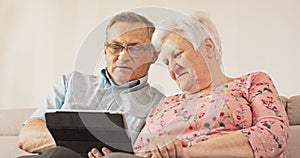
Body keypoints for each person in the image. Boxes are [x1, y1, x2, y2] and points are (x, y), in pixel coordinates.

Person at [90, 11, 289, 158]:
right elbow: (140, 151)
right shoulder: (164, 105)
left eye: (177, 55)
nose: (172, 69)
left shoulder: (251, 83)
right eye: (166, 62)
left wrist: (183, 152)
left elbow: (273, 135)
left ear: (208, 48)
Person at [17, 11, 165, 156]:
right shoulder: (70, 83)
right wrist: (80, 146)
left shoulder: (161, 105)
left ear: (153, 54)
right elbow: (27, 137)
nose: (123, 56)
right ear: (105, 50)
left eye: (135, 48)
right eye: (115, 47)